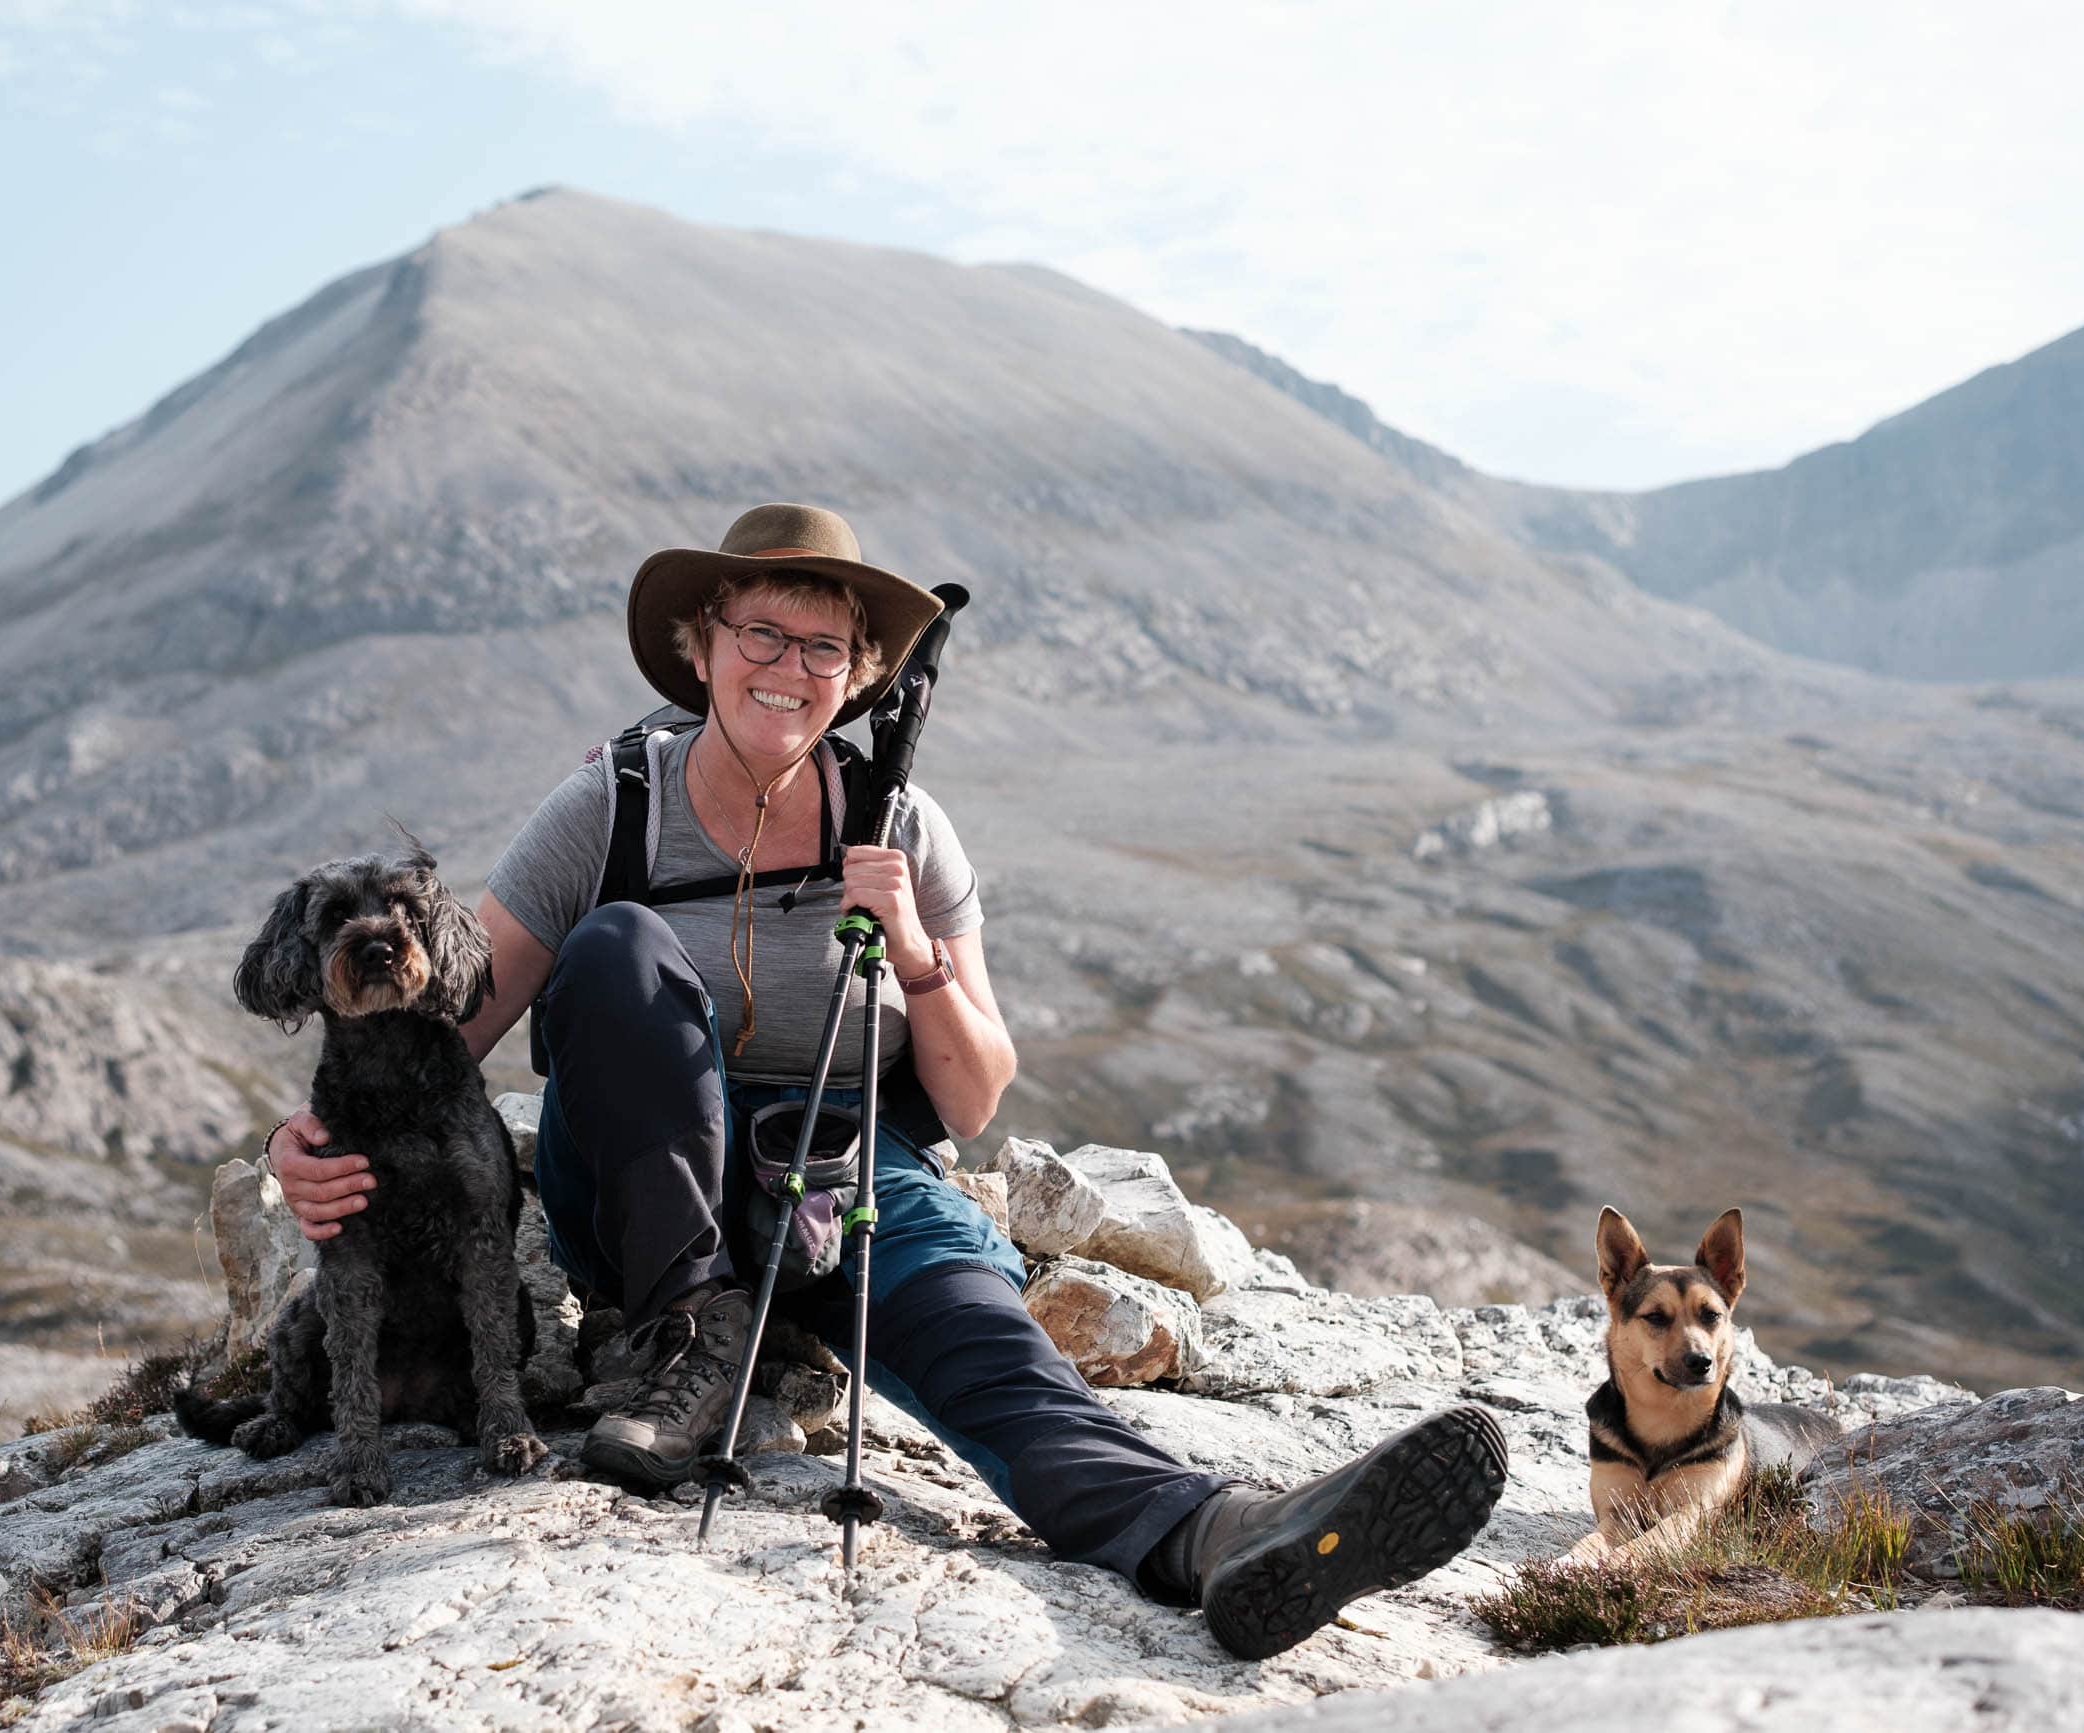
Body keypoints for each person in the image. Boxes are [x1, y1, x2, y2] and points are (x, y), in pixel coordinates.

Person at [263, 504, 1507, 1659]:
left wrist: (913, 951)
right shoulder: (611, 804)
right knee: (615, 947)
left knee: (980, 1339)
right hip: (642, 1194)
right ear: (702, 644)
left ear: (857, 673)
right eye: (760, 631)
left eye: (823, 646)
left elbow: (970, 1100)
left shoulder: (901, 822)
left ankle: (1216, 1533)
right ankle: (689, 1334)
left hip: (835, 1170)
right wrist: (302, 1144)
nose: (787, 666)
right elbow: (442, 1016)